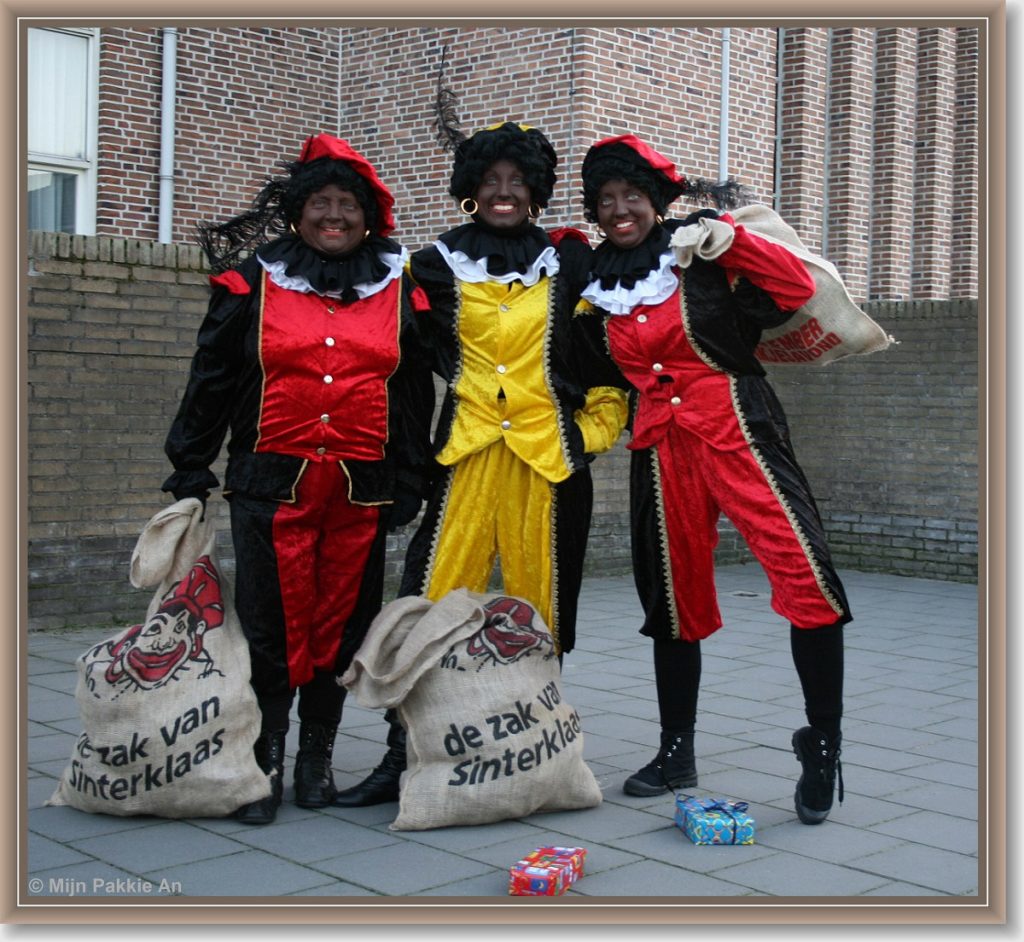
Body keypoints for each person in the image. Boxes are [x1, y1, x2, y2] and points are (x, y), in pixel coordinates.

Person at [330, 96, 629, 808]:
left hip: (549, 465)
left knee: (542, 614)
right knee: (426, 603)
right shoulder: (432, 266)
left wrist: (588, 435)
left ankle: (532, 755)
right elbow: (401, 368)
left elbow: (612, 364)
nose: (503, 192)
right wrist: (402, 467)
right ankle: (401, 757)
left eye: (516, 182)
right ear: (472, 187)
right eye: (490, 181)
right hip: (462, 459)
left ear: (534, 190)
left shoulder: (571, 264)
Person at [578, 134, 850, 825]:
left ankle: (823, 746)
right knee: (672, 597)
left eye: (630, 197)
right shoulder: (598, 276)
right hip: (661, 447)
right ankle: (677, 750)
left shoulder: (696, 254)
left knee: (805, 577)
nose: (618, 210)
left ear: (654, 199)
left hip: (740, 432)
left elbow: (795, 289)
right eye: (605, 200)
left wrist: (730, 240)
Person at [162, 134, 435, 824]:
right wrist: (191, 463)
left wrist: (411, 472)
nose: (334, 216)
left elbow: (408, 392)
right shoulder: (253, 280)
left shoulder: (397, 285)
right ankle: (264, 767)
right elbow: (213, 378)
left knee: (342, 626)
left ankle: (316, 761)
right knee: (271, 625)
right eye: (321, 203)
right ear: (298, 212)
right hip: (269, 483)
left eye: (347, 204)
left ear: (367, 216)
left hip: (361, 488)